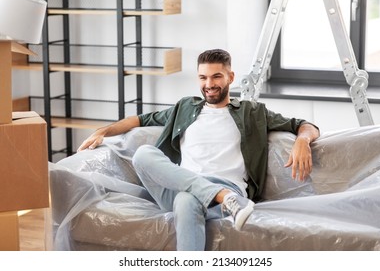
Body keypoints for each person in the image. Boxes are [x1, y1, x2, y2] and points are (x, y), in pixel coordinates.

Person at [77, 49, 320, 251]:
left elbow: (303, 125)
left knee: (186, 200)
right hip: (183, 186)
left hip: (226, 185)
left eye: (216, 77)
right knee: (143, 154)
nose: (209, 84)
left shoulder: (251, 112)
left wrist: (302, 141)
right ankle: (225, 199)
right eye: (203, 78)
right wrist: (103, 132)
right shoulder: (185, 107)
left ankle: (223, 196)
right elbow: (140, 120)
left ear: (230, 77)